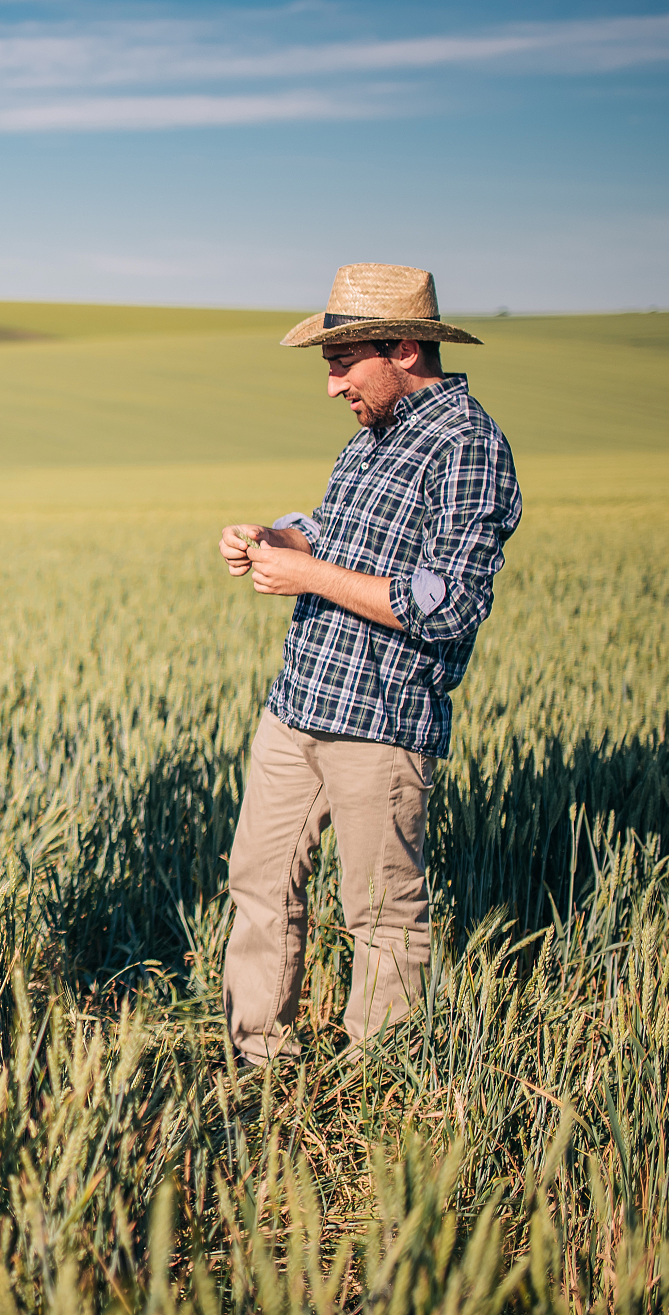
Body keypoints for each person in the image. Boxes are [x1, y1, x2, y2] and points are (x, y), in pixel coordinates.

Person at [216, 263, 523, 1064]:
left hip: (381, 723)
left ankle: (377, 1088)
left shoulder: (469, 446)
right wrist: (274, 541)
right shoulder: (371, 439)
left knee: (382, 914)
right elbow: (331, 532)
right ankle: (258, 1058)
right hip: (300, 704)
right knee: (258, 885)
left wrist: (310, 576)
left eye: (340, 363)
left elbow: (450, 599)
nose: (331, 386)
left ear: (403, 348)